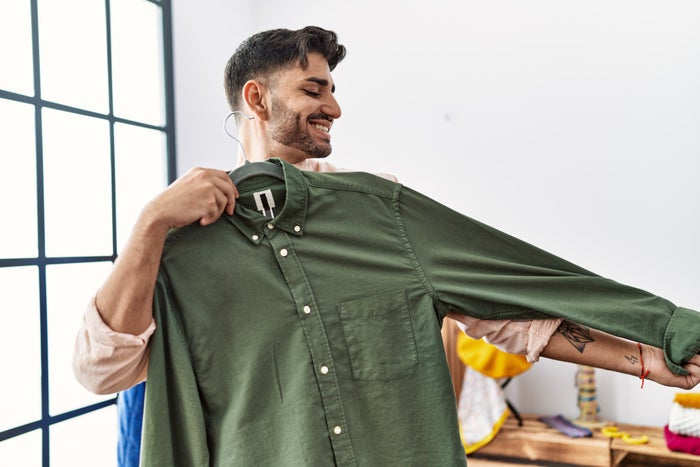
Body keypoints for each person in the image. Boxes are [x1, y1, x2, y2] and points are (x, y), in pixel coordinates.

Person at [73, 26, 700, 466]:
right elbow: (100, 370)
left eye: (333, 90)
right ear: (257, 99)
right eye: (315, 90)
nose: (335, 107)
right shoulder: (178, 239)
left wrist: (654, 352)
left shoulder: (380, 210)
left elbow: (511, 304)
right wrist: (150, 227)